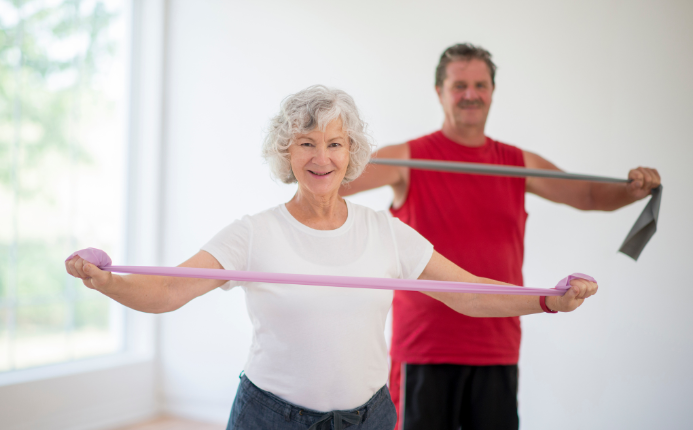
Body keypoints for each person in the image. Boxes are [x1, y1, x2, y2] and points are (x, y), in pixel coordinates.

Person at [65, 85, 598, 430]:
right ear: (285, 153)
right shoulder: (252, 233)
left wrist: (548, 300)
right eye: (305, 143)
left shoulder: (386, 232)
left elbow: (468, 292)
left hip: (368, 418)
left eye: (336, 144)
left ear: (353, 154)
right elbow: (168, 290)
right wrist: (106, 280)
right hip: (270, 417)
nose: (322, 158)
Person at [340, 44, 661, 430]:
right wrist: (315, 152)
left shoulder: (516, 163)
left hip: (496, 344)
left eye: (480, 84)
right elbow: (336, 184)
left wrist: (632, 190)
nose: (471, 94)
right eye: (459, 85)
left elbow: (589, 194)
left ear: (492, 91)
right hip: (424, 348)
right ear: (439, 91)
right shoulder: (408, 158)